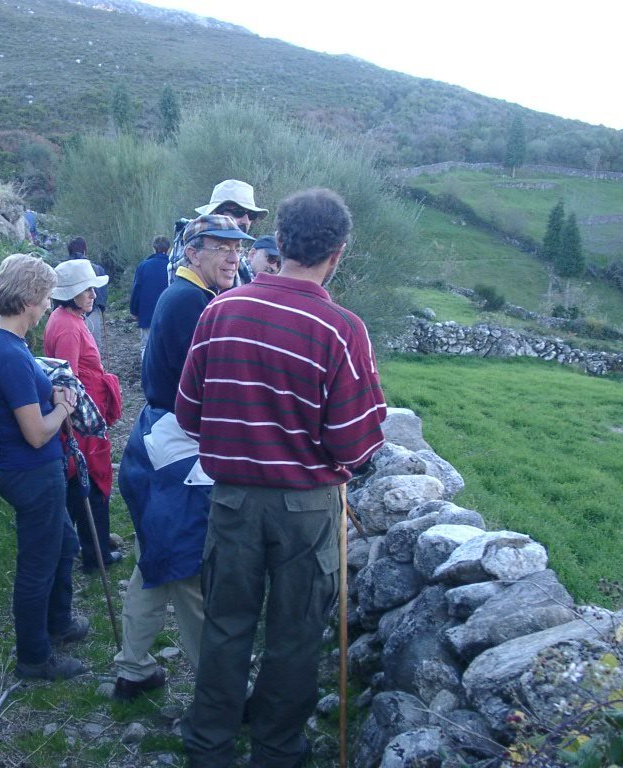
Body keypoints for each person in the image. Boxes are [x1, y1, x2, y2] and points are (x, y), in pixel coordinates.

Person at [176, 189, 388, 768]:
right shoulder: (342, 329)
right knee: (295, 635)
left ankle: (208, 748)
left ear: (281, 243)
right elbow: (354, 444)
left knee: (226, 627)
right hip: (307, 509)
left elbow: (189, 414)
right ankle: (276, 750)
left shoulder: (221, 312)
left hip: (232, 502)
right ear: (338, 254)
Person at [113, 215, 254, 700]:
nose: (234, 257)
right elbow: (213, 387)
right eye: (221, 247)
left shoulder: (189, 296)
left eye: (238, 248)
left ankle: (133, 669)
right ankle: (220, 691)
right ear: (192, 252)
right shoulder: (192, 303)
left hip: (160, 440)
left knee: (154, 561)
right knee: (189, 571)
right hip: (180, 453)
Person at [0, 254, 89, 681]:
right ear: (27, 301)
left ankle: (59, 622)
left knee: (65, 544)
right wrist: (63, 407)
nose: (47, 307)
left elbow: (19, 397)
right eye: (44, 299)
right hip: (33, 471)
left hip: (19, 468)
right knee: (38, 564)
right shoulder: (10, 355)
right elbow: (37, 433)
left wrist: (47, 393)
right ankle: (34, 657)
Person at [43, 259, 123, 572]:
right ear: (69, 294)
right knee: (92, 482)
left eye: (92, 288)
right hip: (80, 425)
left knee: (81, 483)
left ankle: (92, 545)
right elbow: (69, 382)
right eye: (86, 289)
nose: (92, 294)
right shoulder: (67, 326)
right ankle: (95, 554)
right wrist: (80, 429)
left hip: (82, 420)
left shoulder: (68, 319)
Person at [168, 179, 268, 283]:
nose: (246, 221)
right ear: (215, 214)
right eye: (238, 212)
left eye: (252, 215)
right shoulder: (193, 248)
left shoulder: (241, 263)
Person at [129, 235, 171, 357]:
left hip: (147, 314)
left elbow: (136, 290)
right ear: (168, 249)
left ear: (154, 248)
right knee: (166, 347)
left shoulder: (143, 266)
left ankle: (146, 368)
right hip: (167, 313)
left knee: (146, 346)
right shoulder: (173, 266)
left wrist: (134, 310)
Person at [66, 237, 109, 354]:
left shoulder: (63, 269)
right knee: (93, 345)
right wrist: (102, 307)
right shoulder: (96, 269)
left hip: (67, 312)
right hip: (91, 311)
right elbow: (102, 295)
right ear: (85, 250)